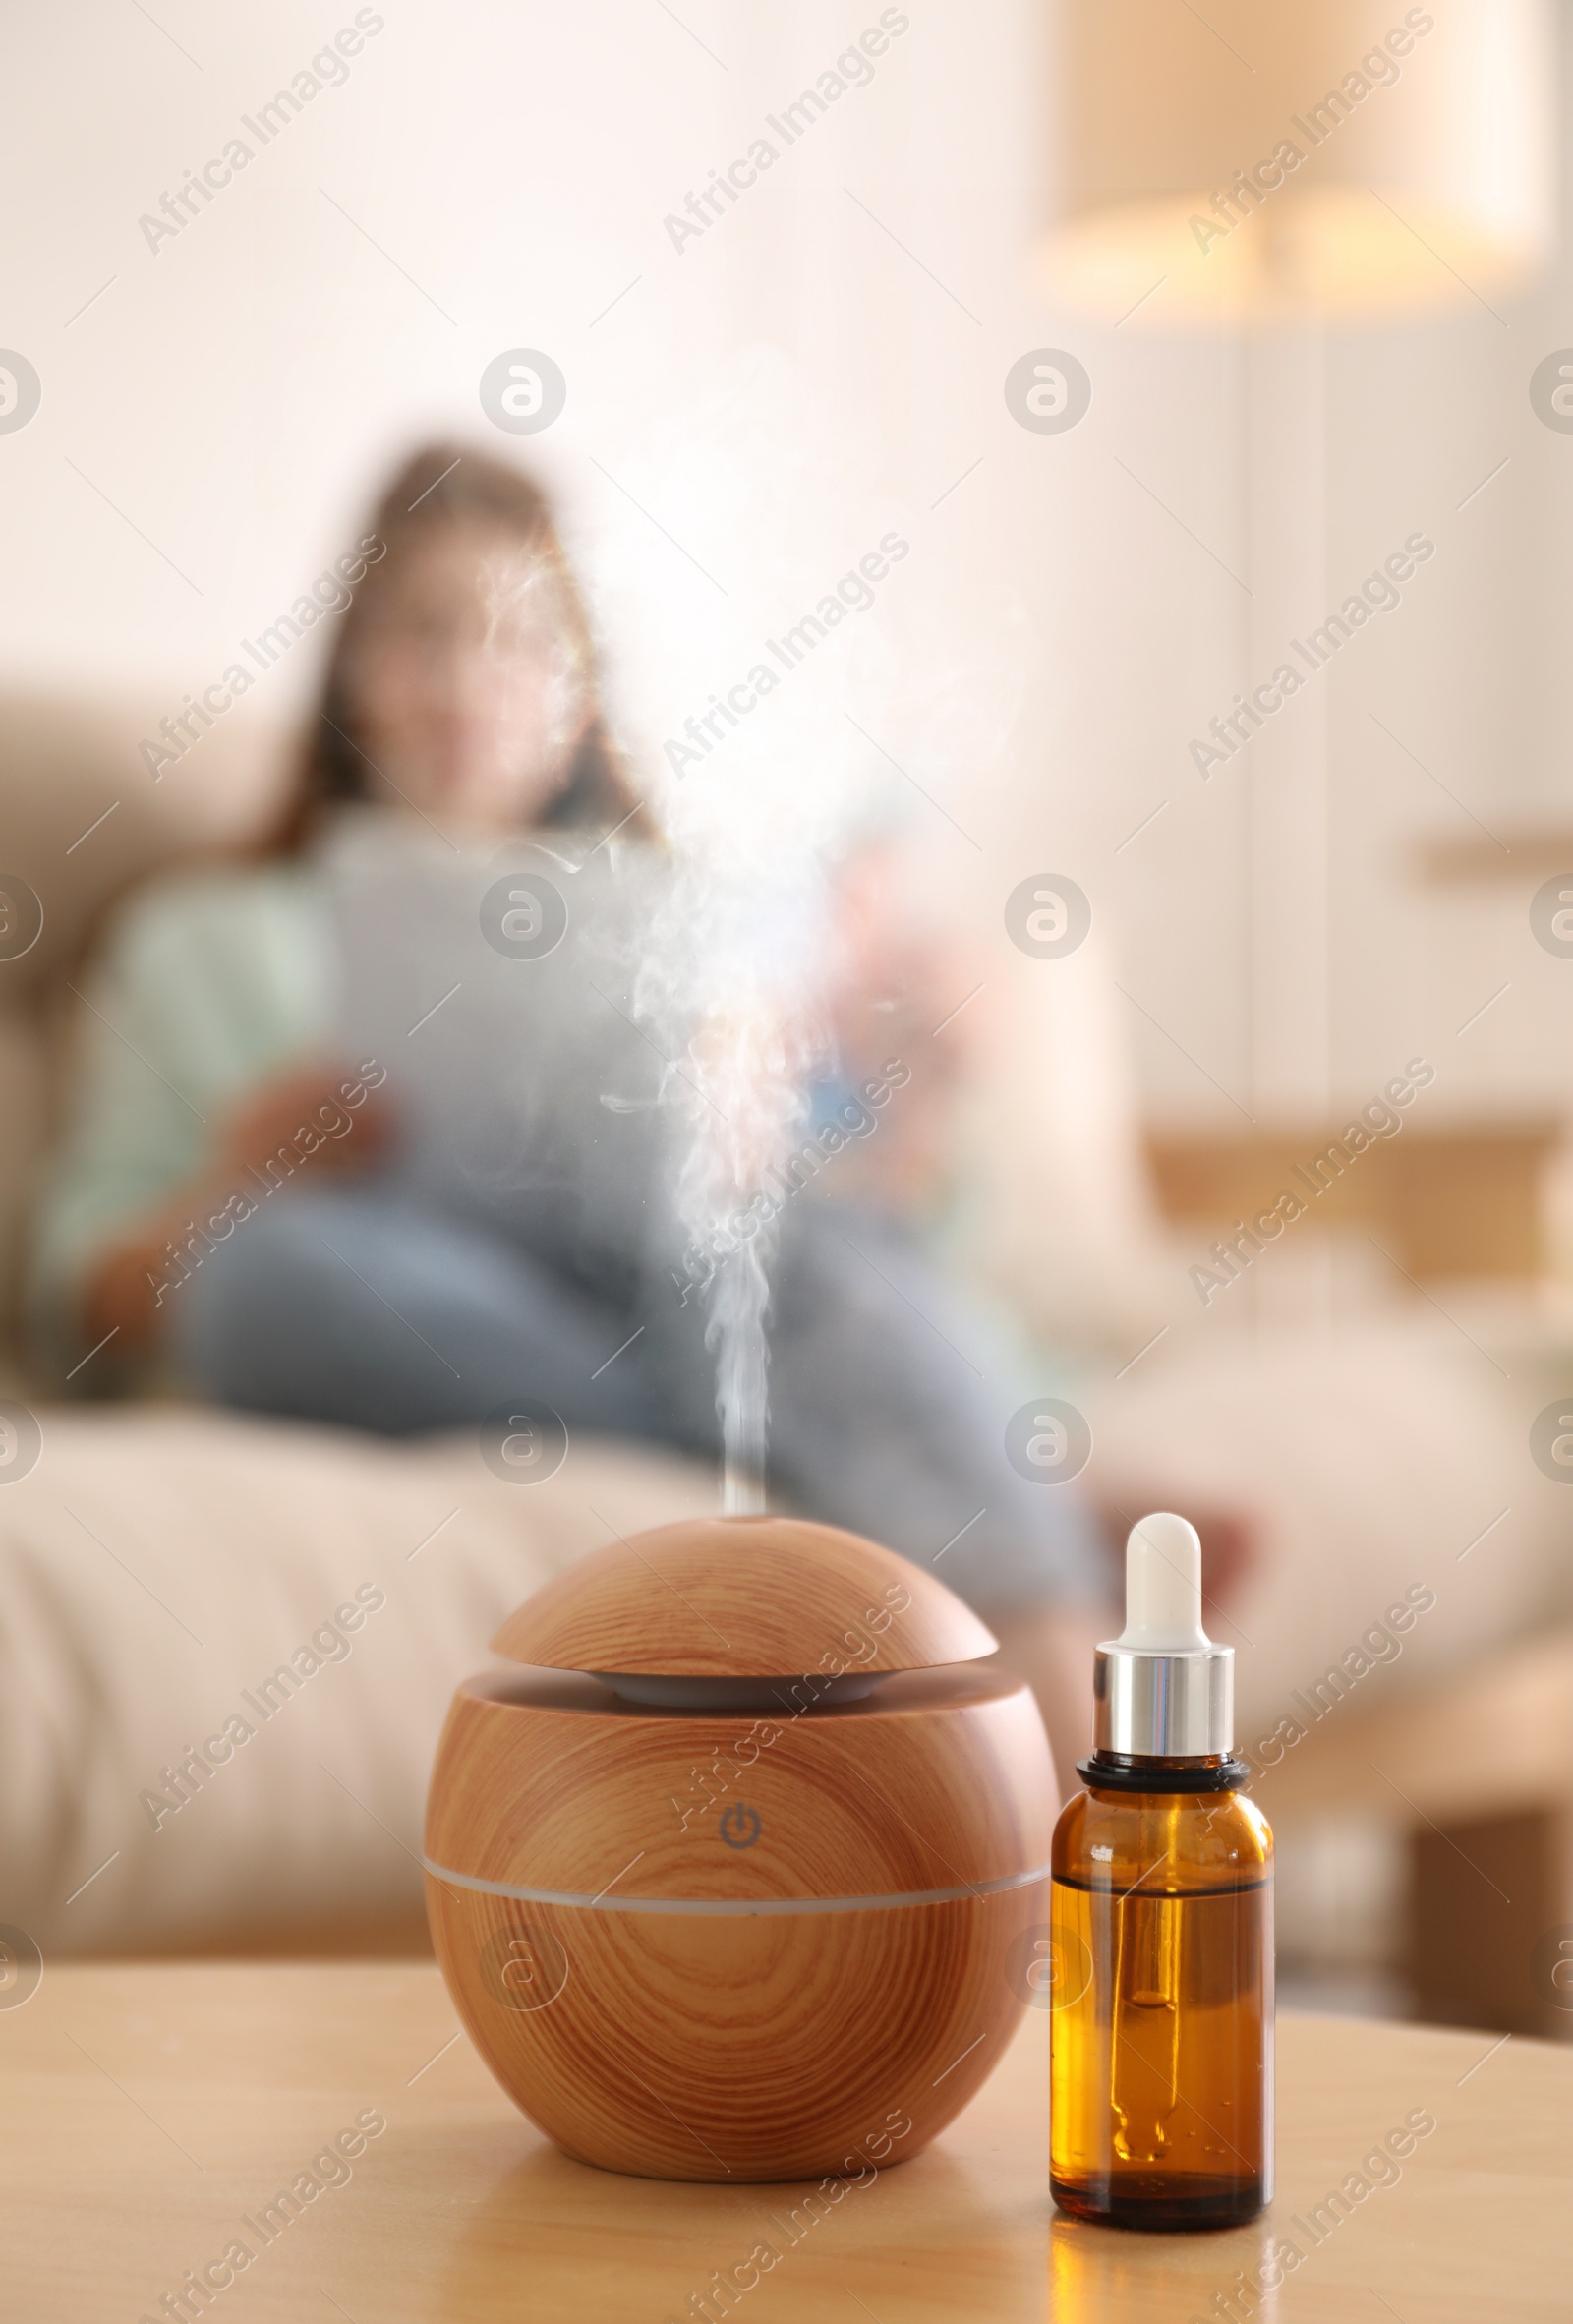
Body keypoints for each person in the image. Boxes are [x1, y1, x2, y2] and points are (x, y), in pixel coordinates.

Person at [30, 442, 1113, 1767]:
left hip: (678, 1280)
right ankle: (904, 1475)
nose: (468, 684)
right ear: (351, 678)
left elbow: (880, 1252)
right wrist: (236, 1181)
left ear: (579, 698)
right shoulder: (203, 942)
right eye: (424, 634)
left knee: (806, 1255)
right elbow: (79, 1298)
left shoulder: (679, 930)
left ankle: (1093, 1810)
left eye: (523, 641)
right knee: (263, 1276)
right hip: (419, 1303)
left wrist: (900, 1105)